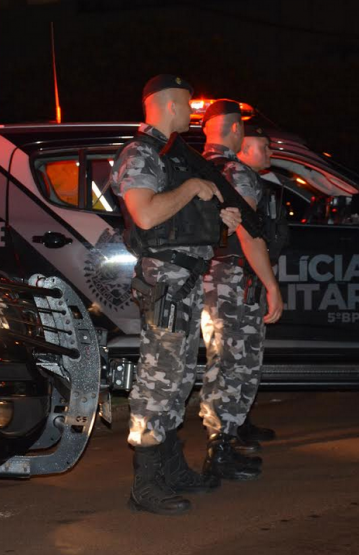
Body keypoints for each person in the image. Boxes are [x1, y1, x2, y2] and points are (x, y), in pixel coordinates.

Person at [110, 75, 242, 515]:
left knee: (179, 379)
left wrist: (218, 217)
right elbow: (146, 215)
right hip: (165, 282)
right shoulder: (140, 154)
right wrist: (190, 189)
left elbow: (180, 220)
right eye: (187, 104)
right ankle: (145, 483)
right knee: (159, 380)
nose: (193, 113)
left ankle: (170, 467)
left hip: (184, 282)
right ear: (169, 105)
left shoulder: (173, 156)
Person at [199, 105, 283, 482]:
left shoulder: (193, 169)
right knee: (234, 364)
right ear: (235, 130)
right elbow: (248, 234)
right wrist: (271, 285)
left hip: (205, 279)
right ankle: (220, 449)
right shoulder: (237, 173)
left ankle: (228, 435)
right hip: (233, 280)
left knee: (223, 361)